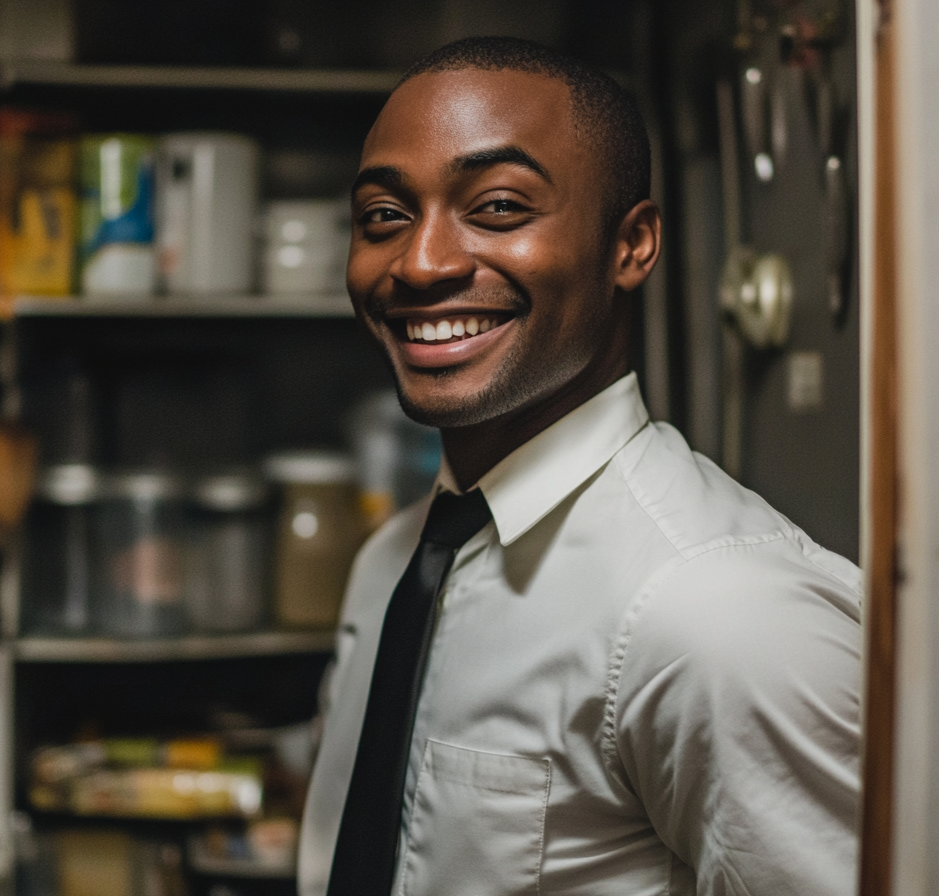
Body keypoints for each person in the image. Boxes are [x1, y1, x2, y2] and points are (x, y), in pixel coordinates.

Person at [299, 36, 861, 896]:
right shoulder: (393, 562)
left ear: (631, 246)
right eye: (385, 217)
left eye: (495, 208)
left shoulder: (722, 617)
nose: (419, 263)